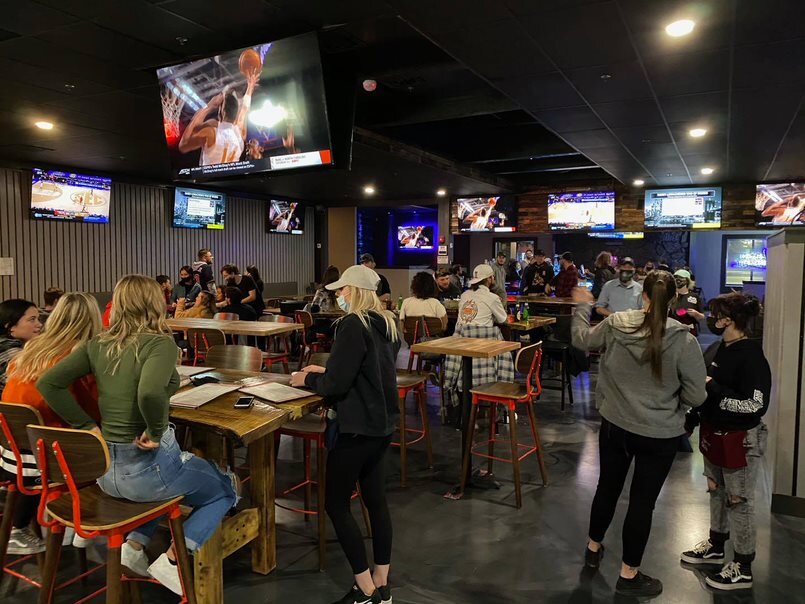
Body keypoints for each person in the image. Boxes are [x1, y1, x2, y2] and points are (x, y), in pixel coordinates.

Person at [37, 275, 238, 596]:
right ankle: (174, 559)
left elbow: (48, 384)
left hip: (106, 475)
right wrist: (156, 429)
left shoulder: (97, 343)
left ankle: (135, 543)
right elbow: (148, 393)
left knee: (172, 486)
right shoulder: (159, 343)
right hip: (148, 472)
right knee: (223, 490)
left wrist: (85, 426)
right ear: (154, 302)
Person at [571, 271, 707, 598]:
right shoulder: (684, 340)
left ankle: (593, 549)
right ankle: (628, 574)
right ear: (674, 299)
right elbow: (696, 396)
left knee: (607, 487)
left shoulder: (617, 323)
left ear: (642, 296)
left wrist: (581, 307)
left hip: (614, 425)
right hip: (659, 433)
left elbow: (582, 339)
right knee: (642, 503)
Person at [289, 264, 400, 604]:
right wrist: (328, 368)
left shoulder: (352, 324)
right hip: (381, 426)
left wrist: (306, 379)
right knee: (376, 503)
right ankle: (382, 582)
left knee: (336, 505)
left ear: (355, 291)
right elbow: (367, 371)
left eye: (342, 290)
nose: (338, 295)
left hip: (355, 428)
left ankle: (364, 590)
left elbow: (336, 384)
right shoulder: (386, 323)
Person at [680, 293, 771, 591]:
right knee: (716, 491)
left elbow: (754, 406)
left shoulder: (752, 356)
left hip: (740, 439)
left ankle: (743, 567)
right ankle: (717, 545)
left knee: (739, 501)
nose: (711, 317)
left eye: (716, 314)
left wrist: (715, 390)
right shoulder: (720, 348)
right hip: (713, 434)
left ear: (729, 320)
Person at [2, 293, 101, 555]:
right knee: (112, 446)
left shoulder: (32, 348)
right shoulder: (76, 355)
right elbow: (93, 409)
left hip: (11, 453)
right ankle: (88, 521)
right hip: (45, 460)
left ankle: (71, 520)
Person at [178, 71, 258, 166]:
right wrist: (250, 87)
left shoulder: (210, 133)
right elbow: (245, 109)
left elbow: (183, 146)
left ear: (222, 111)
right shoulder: (239, 135)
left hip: (209, 179)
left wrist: (208, 107)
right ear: (235, 113)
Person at [0, 299, 42, 390]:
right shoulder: (9, 351)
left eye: (38, 319)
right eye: (32, 319)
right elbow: (26, 385)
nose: (39, 324)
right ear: (10, 326)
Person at [456, 264, 508, 329]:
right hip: (481, 336)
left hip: (460, 334)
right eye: (493, 277)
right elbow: (503, 320)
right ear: (489, 279)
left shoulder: (464, 295)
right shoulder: (492, 298)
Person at [669, 269, 704, 335]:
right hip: (672, 330)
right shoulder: (670, 295)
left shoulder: (694, 296)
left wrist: (696, 314)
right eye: (675, 277)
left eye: (681, 277)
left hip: (689, 331)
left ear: (687, 280)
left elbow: (702, 316)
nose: (677, 280)